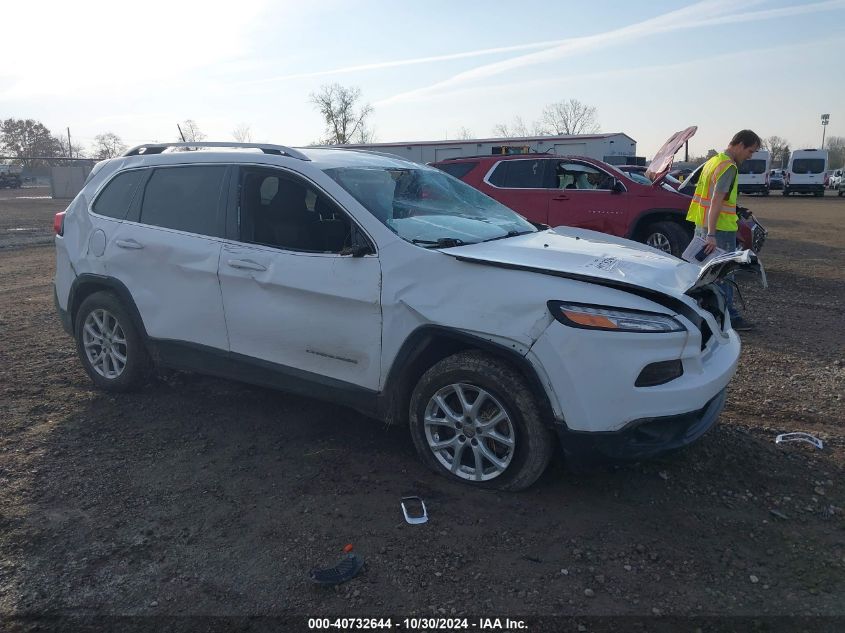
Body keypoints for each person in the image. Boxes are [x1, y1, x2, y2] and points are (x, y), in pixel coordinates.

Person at [686, 129, 762, 331]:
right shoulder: (729, 167)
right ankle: (728, 317)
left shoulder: (712, 162)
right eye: (750, 151)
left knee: (704, 274)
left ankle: (705, 312)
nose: (750, 156)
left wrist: (736, 210)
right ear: (740, 145)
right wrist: (712, 234)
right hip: (718, 231)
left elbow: (714, 198)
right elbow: (716, 201)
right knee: (724, 274)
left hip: (703, 226)